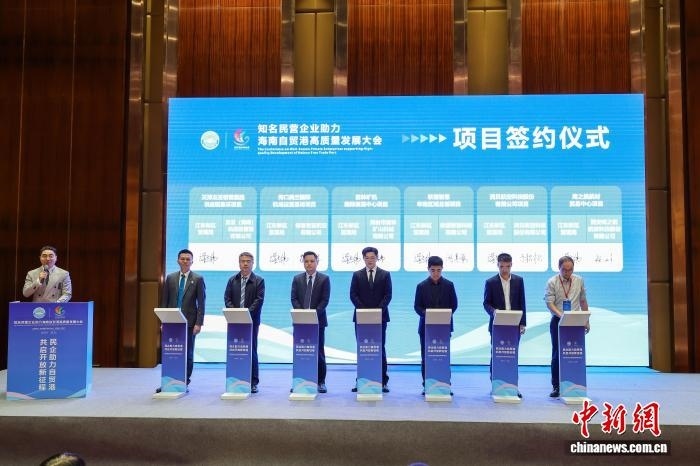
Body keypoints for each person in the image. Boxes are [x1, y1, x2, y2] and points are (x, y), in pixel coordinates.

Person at [545, 255, 590, 398]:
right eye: (564, 270)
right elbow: (549, 303)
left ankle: (576, 384)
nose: (567, 273)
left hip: (576, 322)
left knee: (575, 353)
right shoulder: (552, 282)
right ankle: (556, 386)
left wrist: (586, 320)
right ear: (559, 268)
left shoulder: (579, 280)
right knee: (557, 354)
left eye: (570, 270)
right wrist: (562, 316)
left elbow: (583, 301)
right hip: (558, 321)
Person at [483, 252, 526, 397]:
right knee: (496, 355)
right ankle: (495, 385)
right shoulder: (491, 282)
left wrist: (522, 323)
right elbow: (486, 303)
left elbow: (522, 302)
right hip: (497, 324)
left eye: (507, 266)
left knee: (512, 355)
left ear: (511, 265)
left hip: (514, 325)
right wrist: (494, 312)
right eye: (502, 266)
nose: (504, 270)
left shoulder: (519, 281)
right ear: (498, 265)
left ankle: (513, 386)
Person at [161, 248, 206, 388]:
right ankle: (168, 382)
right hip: (171, 322)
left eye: (188, 259)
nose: (185, 261)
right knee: (171, 352)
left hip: (190, 322)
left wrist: (199, 323)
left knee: (188, 353)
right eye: (182, 259)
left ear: (192, 262)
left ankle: (184, 380)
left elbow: (201, 303)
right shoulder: (170, 278)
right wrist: (163, 321)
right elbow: (164, 301)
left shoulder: (198, 279)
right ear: (178, 261)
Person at [350, 246, 392, 392]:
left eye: (372, 257)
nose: (370, 260)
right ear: (363, 259)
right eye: (367, 258)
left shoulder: (385, 275)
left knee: (380, 348)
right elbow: (353, 295)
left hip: (380, 318)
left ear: (377, 258)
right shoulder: (357, 275)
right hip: (361, 318)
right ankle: (361, 380)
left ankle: (383, 381)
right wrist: (364, 311)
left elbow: (388, 295)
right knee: (363, 349)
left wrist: (377, 311)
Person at [413, 256, 458, 393]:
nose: (436, 273)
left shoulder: (449, 285)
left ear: (442, 269)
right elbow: (417, 306)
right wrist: (428, 315)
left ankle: (445, 385)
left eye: (438, 270)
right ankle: (426, 385)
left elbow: (454, 305)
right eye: (433, 270)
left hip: (444, 327)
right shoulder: (421, 286)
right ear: (428, 269)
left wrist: (443, 316)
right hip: (426, 328)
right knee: (426, 358)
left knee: (443, 357)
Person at [224, 252, 265, 393]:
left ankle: (253, 382)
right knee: (235, 350)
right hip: (234, 322)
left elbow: (259, 300)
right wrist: (236, 314)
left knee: (251, 350)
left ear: (253, 263)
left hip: (251, 322)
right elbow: (227, 299)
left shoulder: (259, 281)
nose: (245, 264)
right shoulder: (232, 280)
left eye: (248, 261)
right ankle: (235, 379)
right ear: (239, 263)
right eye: (242, 261)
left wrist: (245, 315)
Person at [291, 251, 331, 393]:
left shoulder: (324, 279)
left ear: (317, 262)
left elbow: (325, 300)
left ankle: (320, 382)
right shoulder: (297, 279)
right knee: (301, 352)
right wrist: (303, 315)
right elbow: (294, 298)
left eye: (312, 261)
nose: (309, 264)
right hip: (300, 322)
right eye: (306, 261)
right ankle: (299, 381)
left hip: (318, 322)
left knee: (318, 352)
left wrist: (312, 315)